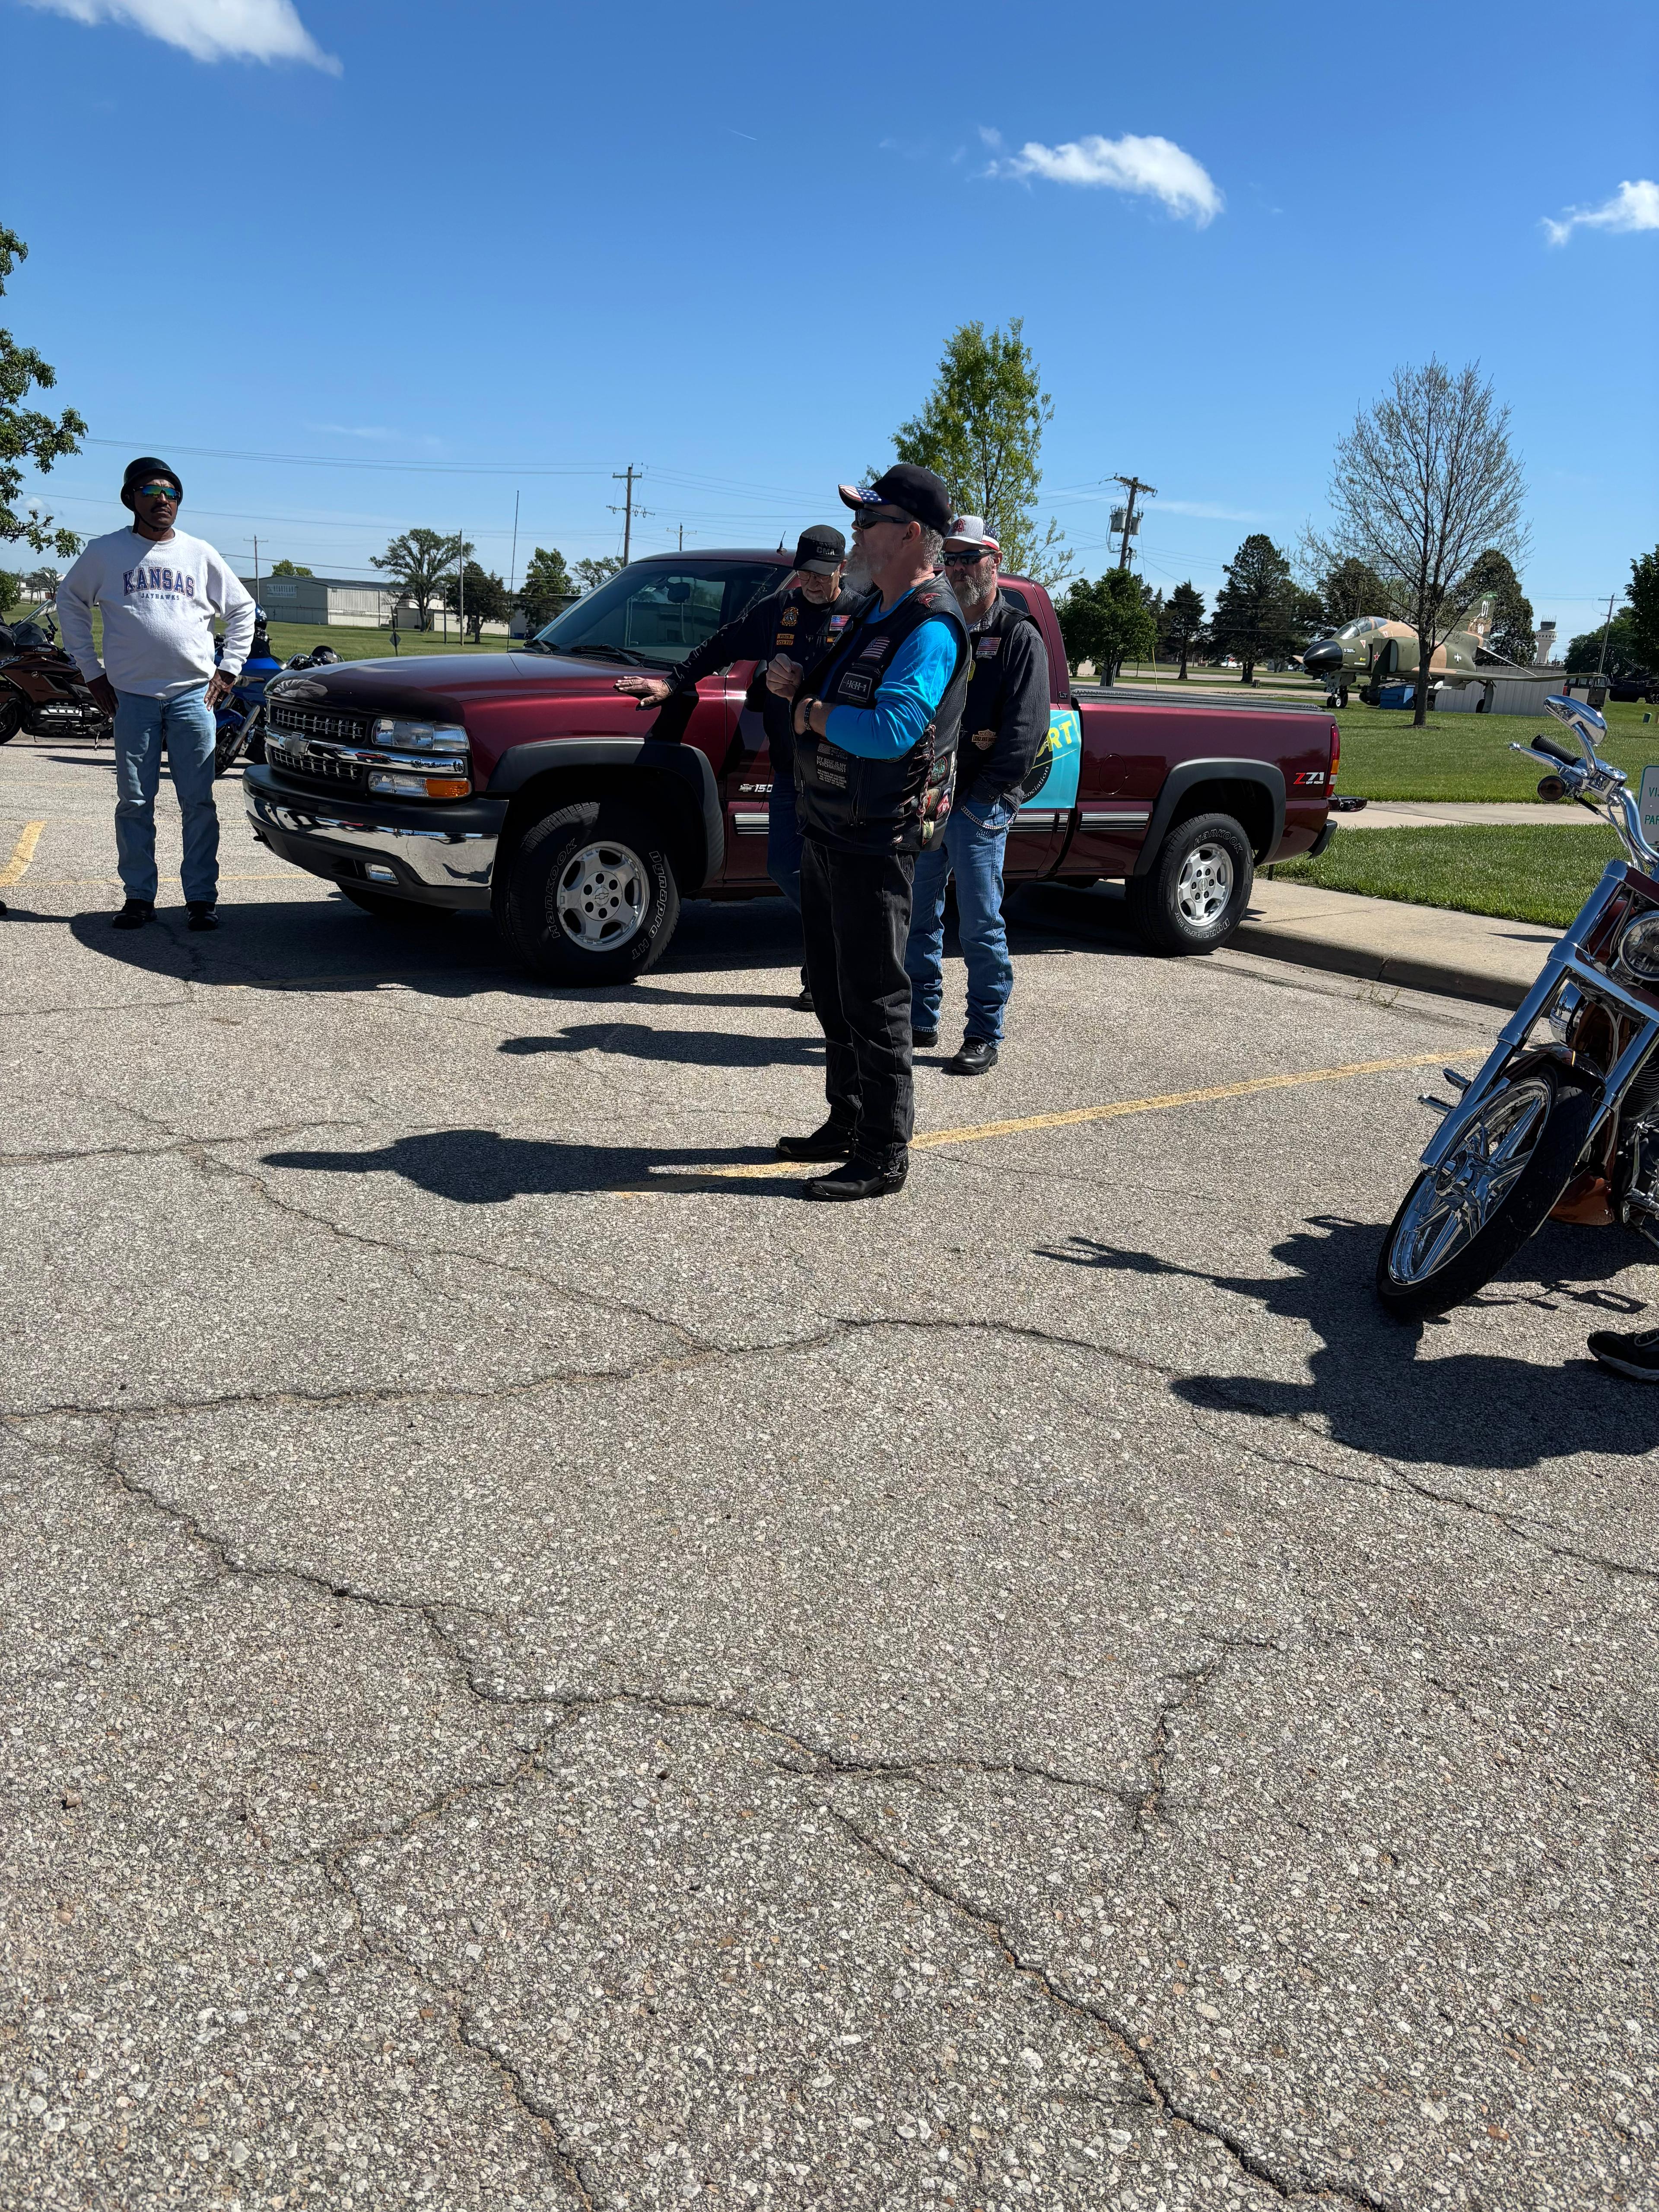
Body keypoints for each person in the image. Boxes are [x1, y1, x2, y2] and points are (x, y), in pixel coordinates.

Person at [771, 464, 971, 1201]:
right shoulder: (876, 611)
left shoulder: (931, 624)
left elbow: (891, 729)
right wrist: (798, 684)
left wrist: (815, 715)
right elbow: (843, 694)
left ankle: (885, 1152)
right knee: (830, 986)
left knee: (876, 995)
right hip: (831, 824)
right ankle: (846, 1120)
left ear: (912, 532)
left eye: (869, 521)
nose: (855, 533)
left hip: (875, 836)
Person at [614, 527, 853, 1004]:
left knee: (834, 872)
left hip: (839, 775)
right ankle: (839, 941)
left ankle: (827, 970)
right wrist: (671, 683)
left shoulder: (861, 613)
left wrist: (811, 685)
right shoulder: (780, 611)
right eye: (805, 572)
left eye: (822, 574)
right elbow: (722, 644)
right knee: (784, 865)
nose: (812, 581)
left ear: (842, 569)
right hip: (790, 771)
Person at [57, 458, 254, 931]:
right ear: (132, 500)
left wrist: (228, 670)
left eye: (171, 492)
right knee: (135, 801)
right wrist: (92, 672)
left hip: (193, 696)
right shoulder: (105, 553)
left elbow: (243, 608)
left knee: (199, 802)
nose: (162, 499)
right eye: (150, 491)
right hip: (131, 697)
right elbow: (70, 601)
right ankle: (139, 896)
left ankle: (201, 899)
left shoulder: (199, 553)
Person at [903, 516, 1049, 1075]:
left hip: (979, 806)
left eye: (971, 558)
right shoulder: (940, 628)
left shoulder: (1018, 636)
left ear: (995, 562)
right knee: (920, 913)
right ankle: (921, 1015)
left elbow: (1024, 735)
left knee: (980, 924)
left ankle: (984, 1031)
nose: (960, 568)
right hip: (932, 797)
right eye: (953, 558)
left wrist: (977, 800)